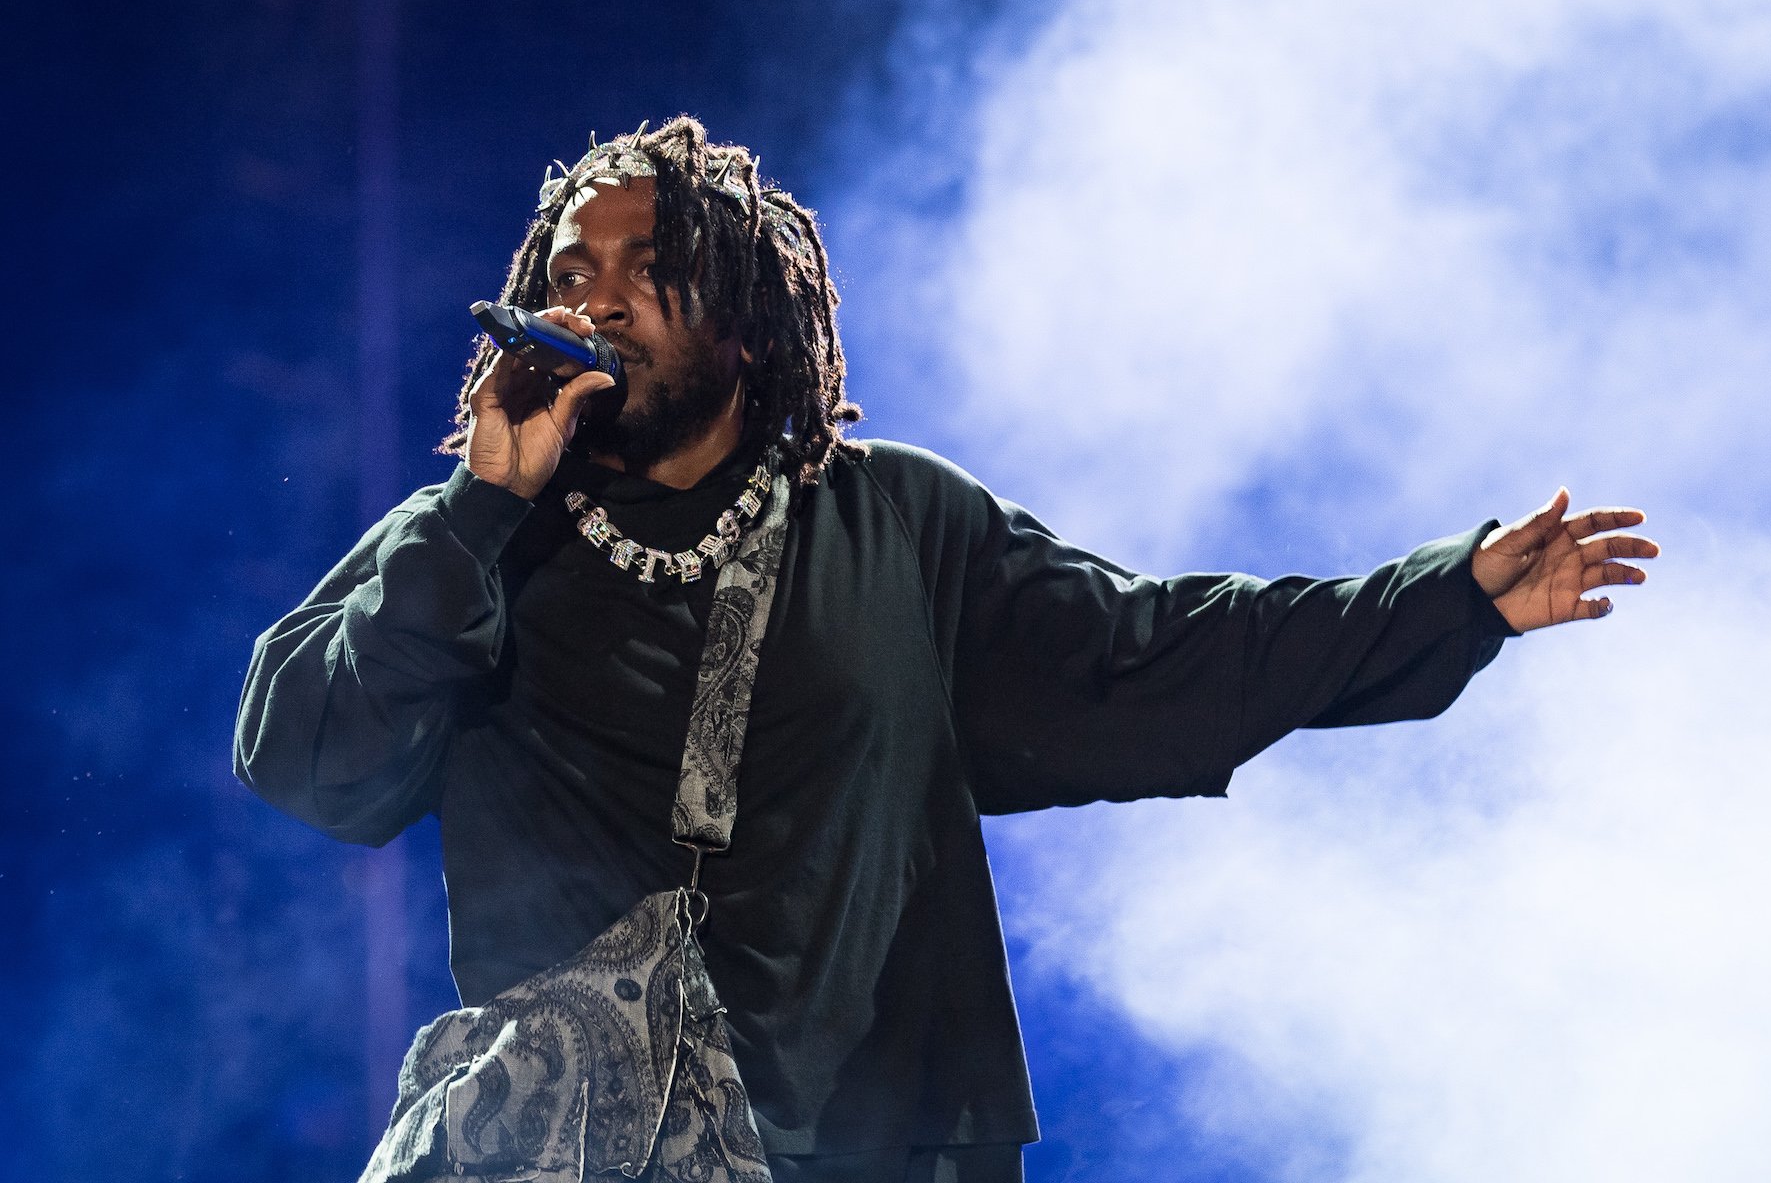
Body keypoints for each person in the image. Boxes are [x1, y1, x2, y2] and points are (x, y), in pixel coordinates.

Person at [234, 116, 1658, 1183]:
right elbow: (310, 763)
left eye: (651, 269)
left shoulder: (897, 528)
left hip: (861, 1142)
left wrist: (1445, 601)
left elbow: (1149, 660)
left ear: (747, 317)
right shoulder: (475, 536)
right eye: (570, 271)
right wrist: (481, 508)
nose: (596, 301)